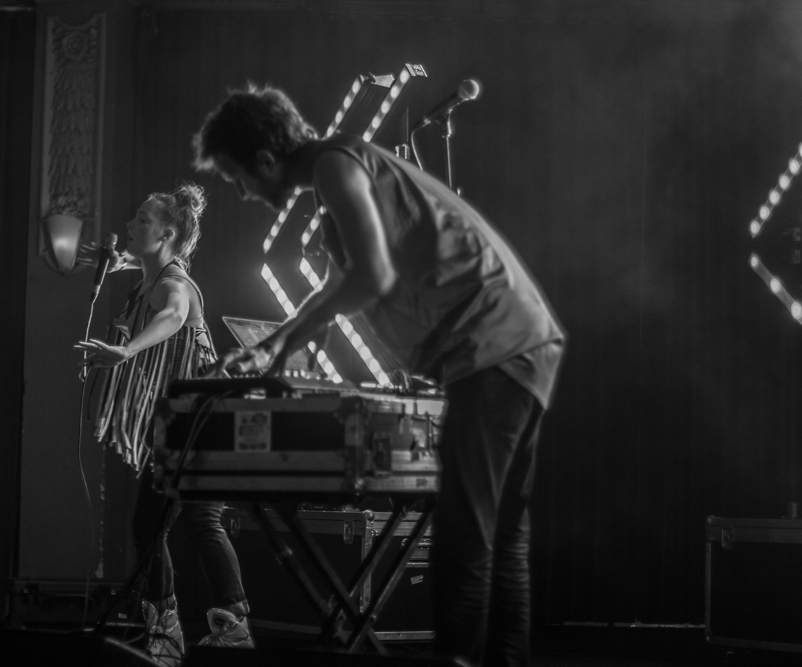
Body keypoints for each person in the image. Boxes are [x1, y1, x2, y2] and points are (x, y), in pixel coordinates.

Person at [192, 85, 564, 667]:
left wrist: (281, 344)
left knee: (465, 540)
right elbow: (339, 285)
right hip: (525, 340)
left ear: (264, 159)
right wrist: (275, 344)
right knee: (502, 537)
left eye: (237, 178)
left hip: (493, 346)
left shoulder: (337, 164)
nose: (242, 193)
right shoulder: (341, 172)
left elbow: (370, 276)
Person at [75, 184, 253, 667]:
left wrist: (127, 350)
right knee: (170, 524)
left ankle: (179, 633)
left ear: (167, 234)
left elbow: (174, 314)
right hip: (190, 422)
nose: (130, 224)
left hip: (200, 422)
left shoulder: (173, 285)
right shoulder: (155, 274)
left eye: (141, 220)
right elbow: (146, 267)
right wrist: (119, 261)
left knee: (174, 523)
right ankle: (209, 630)